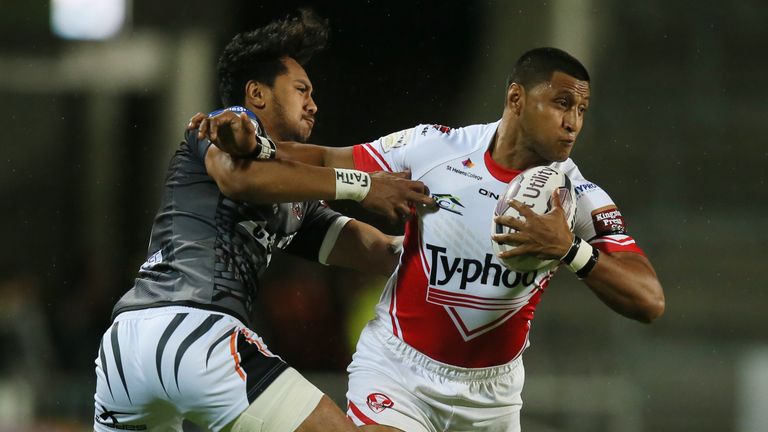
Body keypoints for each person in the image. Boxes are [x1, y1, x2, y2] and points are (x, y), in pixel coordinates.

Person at [195, 47, 665, 431]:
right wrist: (246, 137)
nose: (573, 122)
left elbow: (649, 301)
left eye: (581, 109)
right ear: (516, 99)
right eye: (562, 103)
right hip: (400, 369)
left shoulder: (576, 198)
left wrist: (571, 250)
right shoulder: (436, 148)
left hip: (493, 396)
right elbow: (323, 158)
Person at [92, 10, 433, 432]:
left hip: (125, 351)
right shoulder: (226, 124)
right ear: (256, 93)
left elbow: (382, 252)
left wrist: (465, 251)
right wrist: (362, 185)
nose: (313, 104)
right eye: (301, 89)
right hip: (196, 333)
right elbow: (238, 176)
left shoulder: (294, 202)